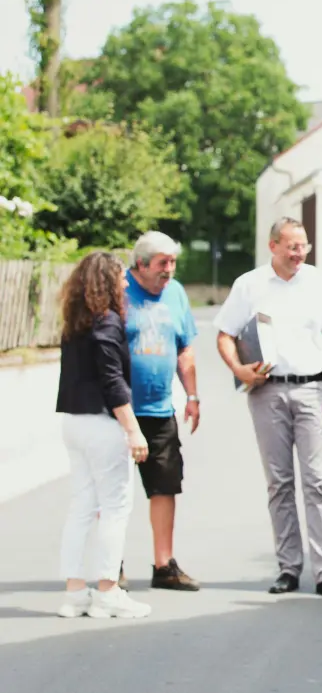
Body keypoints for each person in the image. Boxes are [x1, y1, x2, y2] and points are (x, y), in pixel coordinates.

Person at [213, 217, 322, 600]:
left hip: (311, 389)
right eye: (292, 246)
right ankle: (288, 568)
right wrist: (238, 369)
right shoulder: (250, 285)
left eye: (303, 245)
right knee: (279, 483)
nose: (299, 253)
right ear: (273, 246)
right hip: (266, 393)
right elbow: (224, 334)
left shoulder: (319, 284)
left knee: (317, 482)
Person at [54, 251, 152, 619]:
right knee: (115, 508)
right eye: (120, 278)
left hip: (74, 423)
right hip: (101, 424)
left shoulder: (75, 323)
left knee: (81, 506)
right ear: (107, 283)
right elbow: (112, 381)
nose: (126, 282)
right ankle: (109, 591)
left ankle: (75, 594)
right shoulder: (107, 322)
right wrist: (134, 430)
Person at [124, 231, 201, 591]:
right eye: (161, 264)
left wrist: (192, 396)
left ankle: (163, 564)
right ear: (140, 265)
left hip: (159, 409)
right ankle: (112, 564)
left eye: (172, 263)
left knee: (165, 486)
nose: (168, 271)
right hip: (121, 410)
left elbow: (185, 349)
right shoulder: (118, 291)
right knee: (115, 491)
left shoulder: (177, 293)